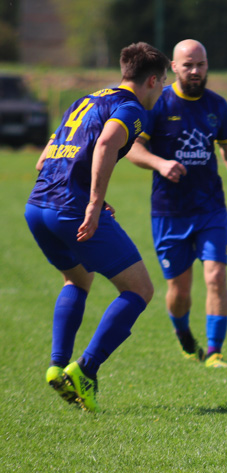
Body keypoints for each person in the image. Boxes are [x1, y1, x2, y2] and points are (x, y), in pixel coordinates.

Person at [25, 42, 170, 412]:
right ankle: (85, 370)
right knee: (139, 289)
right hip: (70, 209)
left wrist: (90, 195)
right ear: (151, 80)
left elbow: (46, 160)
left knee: (77, 279)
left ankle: (58, 367)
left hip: (38, 205)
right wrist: (91, 204)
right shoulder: (132, 108)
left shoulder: (85, 100)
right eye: (163, 82)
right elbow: (106, 143)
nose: (164, 89)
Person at [126, 39, 227, 369]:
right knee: (180, 291)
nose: (196, 71)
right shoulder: (158, 104)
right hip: (169, 212)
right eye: (188, 65)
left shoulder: (218, 106)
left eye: (201, 64)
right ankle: (183, 331)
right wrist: (160, 164)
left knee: (216, 277)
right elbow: (133, 150)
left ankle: (215, 351)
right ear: (173, 67)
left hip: (211, 208)